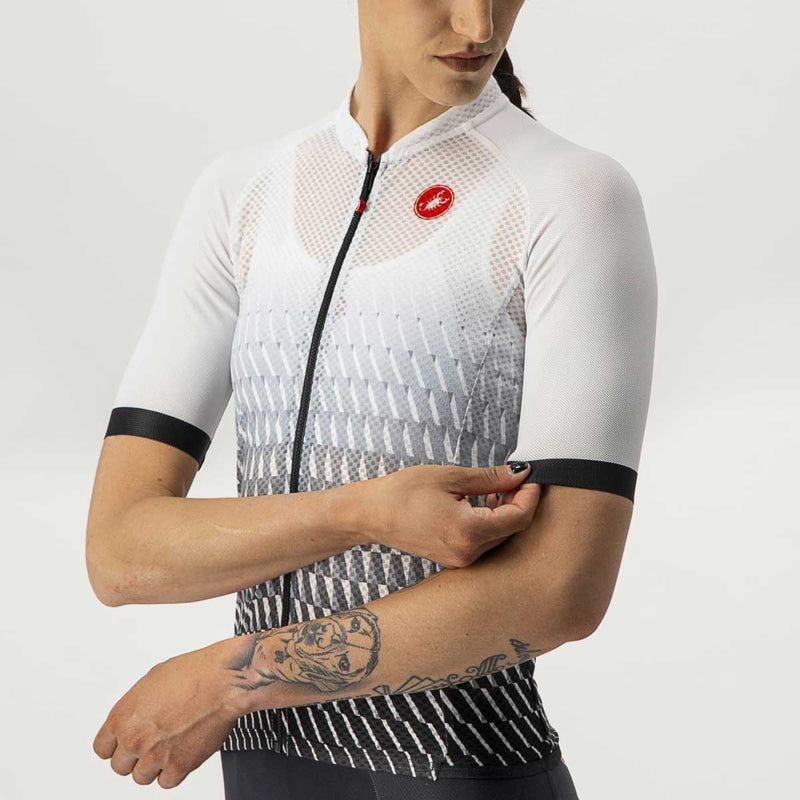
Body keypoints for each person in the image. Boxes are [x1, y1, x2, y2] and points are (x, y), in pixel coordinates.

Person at [86, 1, 658, 797]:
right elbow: (121, 554)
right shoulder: (243, 196)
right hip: (264, 775)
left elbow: (561, 589)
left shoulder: (571, 195)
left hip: (461, 769)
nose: (478, 25)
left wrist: (234, 679)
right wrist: (361, 512)